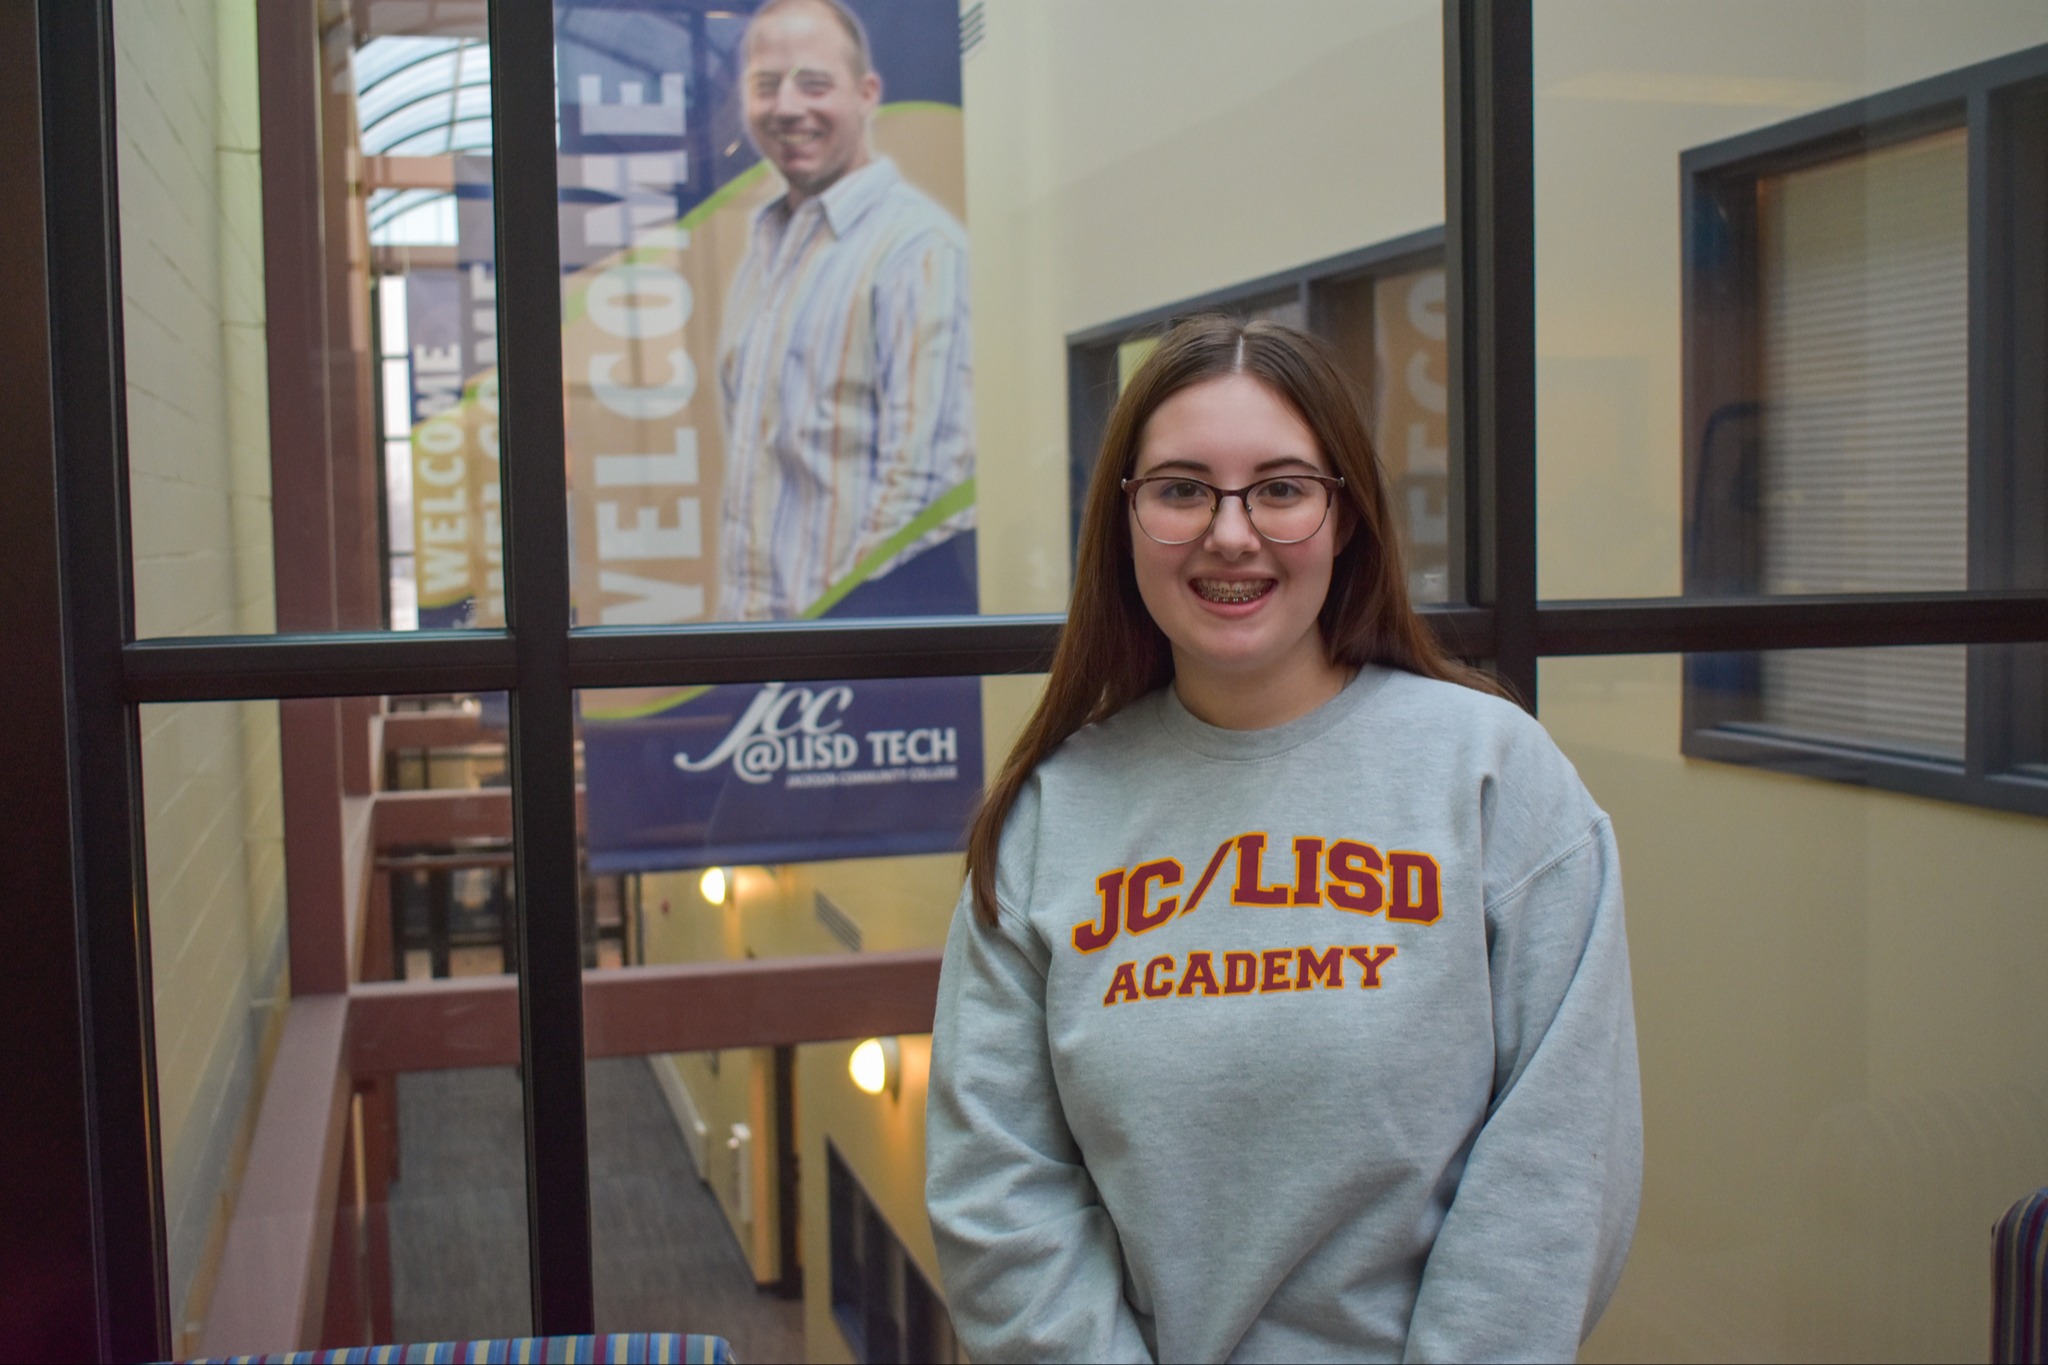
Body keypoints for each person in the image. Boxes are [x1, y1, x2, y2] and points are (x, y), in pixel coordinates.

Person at [925, 316, 1641, 1363]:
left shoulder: (1490, 773)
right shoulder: (1050, 817)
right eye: (1180, 489)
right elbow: (996, 1188)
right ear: (1123, 523)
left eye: (1279, 488)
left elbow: (1557, 1163)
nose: (1229, 534)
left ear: (1342, 515)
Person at [717, 0, 975, 621]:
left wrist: (840, 643)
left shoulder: (918, 249)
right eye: (766, 84)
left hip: (843, 665)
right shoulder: (765, 247)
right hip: (759, 660)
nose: (786, 107)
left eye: (814, 84)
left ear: (866, 94)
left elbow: (924, 497)